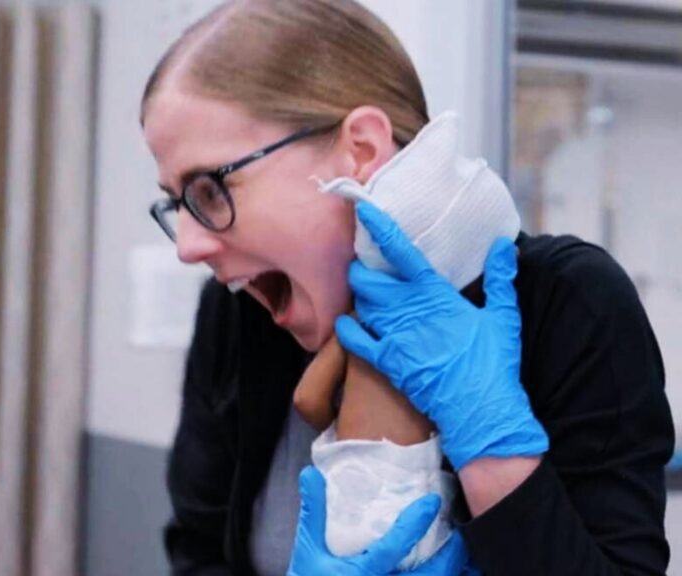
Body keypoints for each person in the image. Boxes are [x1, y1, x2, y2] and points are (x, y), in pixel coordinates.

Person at [140, 0, 675, 574]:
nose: (188, 246)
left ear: (362, 150)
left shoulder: (571, 303)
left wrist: (494, 450)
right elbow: (196, 551)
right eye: (178, 204)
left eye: (210, 190)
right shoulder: (236, 315)